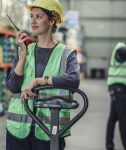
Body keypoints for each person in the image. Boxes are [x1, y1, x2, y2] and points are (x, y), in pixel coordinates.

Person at [6, 0, 80, 150]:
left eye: (39, 17)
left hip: (48, 132)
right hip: (18, 130)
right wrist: (22, 57)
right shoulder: (26, 50)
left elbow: (73, 80)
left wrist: (40, 81)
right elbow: (13, 87)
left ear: (52, 21)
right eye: (32, 16)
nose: (33, 21)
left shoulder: (66, 54)